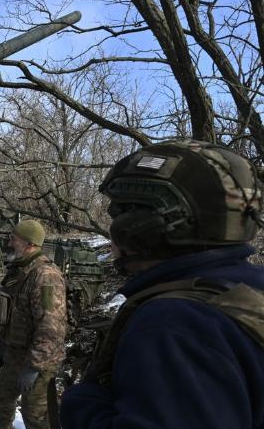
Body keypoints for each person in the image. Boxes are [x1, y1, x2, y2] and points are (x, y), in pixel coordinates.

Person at [60, 139, 264, 429]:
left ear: (138, 228)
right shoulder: (247, 289)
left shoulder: (174, 324)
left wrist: (82, 405)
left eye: (119, 214)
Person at [0, 219, 67, 429]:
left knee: (36, 416)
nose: (9, 243)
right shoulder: (19, 271)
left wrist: (34, 367)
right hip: (15, 353)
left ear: (30, 244)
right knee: (2, 398)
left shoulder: (46, 276)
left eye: (13, 239)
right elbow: (11, 313)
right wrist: (3, 342)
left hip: (38, 359)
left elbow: (51, 327)